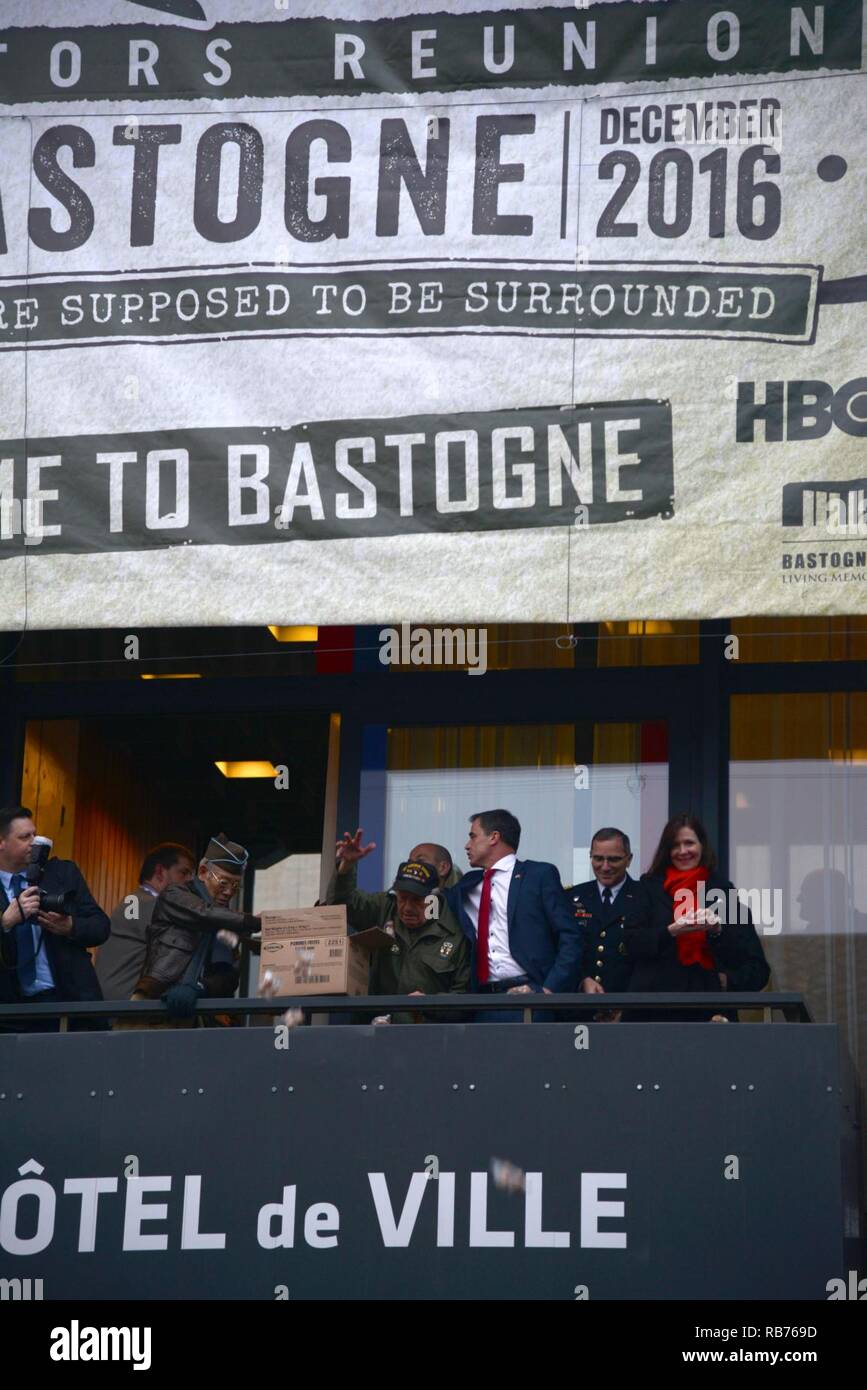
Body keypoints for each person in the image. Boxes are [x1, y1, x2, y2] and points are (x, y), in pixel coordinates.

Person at [631, 814, 770, 1020]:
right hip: (655, 1011)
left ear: (702, 846)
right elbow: (632, 944)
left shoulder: (722, 893)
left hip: (711, 1011)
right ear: (666, 851)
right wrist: (671, 931)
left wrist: (723, 976)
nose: (682, 851)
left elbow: (756, 969)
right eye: (675, 845)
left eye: (689, 843)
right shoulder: (648, 889)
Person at [446, 808, 590, 997]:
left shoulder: (538, 875)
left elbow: (570, 935)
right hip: (482, 1000)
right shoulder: (467, 885)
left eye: (473, 837)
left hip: (531, 993)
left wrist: (549, 989)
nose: (467, 845)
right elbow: (433, 906)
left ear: (494, 837)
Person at [127, 833, 260, 1023]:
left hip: (200, 1012)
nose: (229, 891)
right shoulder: (175, 894)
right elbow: (203, 913)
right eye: (223, 883)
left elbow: (228, 976)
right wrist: (253, 922)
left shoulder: (227, 922)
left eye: (235, 885)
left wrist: (199, 988)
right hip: (156, 1002)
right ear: (203, 871)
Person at [0, 805, 110, 1032]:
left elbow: (101, 926)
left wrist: (70, 927)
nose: (35, 841)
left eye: (34, 833)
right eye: (24, 837)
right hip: (11, 1012)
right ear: (1, 842)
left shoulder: (61, 873)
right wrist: (6, 922)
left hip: (69, 1002)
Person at [566, 826, 658, 1020]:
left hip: (631, 1010)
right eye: (598, 858)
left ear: (629, 859)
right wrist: (582, 980)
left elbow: (651, 955)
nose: (605, 867)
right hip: (582, 1009)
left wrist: (628, 1004)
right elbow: (564, 949)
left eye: (614, 859)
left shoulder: (647, 897)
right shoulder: (573, 897)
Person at [367, 860, 471, 1022]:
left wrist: (429, 1003)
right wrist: (346, 867)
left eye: (416, 900)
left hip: (431, 1037)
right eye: (402, 898)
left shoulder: (455, 936)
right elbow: (344, 903)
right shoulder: (386, 914)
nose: (407, 907)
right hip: (380, 1034)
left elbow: (464, 1001)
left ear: (433, 899)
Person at [96, 842, 195, 1001]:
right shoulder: (143, 903)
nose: (190, 881)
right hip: (124, 1009)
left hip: (117, 1005)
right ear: (159, 872)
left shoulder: (135, 900)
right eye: (184, 873)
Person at [325, 828, 460, 927]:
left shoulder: (457, 910)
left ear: (443, 867)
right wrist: (347, 865)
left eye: (420, 862)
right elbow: (340, 906)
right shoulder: (388, 904)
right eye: (409, 862)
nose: (413, 868)